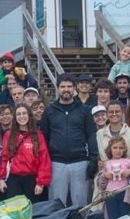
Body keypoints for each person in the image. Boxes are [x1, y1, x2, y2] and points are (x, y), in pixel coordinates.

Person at [40, 73, 97, 207]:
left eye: (69, 86)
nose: (66, 89)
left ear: (74, 88)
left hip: (80, 162)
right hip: (56, 163)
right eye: (63, 86)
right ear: (58, 88)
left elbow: (91, 134)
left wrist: (93, 159)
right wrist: (45, 162)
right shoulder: (49, 111)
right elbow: (44, 138)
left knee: (80, 204)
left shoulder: (84, 110)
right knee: (56, 204)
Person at [0, 104, 51, 203]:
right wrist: (1, 179)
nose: (21, 116)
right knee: (14, 212)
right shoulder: (8, 135)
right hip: (14, 179)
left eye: (24, 113)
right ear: (15, 117)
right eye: (18, 114)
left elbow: (44, 160)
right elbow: (4, 158)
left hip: (32, 180)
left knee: (32, 212)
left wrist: (41, 182)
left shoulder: (38, 136)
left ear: (29, 115)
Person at [96, 136, 130, 219]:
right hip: (110, 195)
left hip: (125, 194)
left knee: (125, 218)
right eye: (115, 148)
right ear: (110, 149)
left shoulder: (128, 162)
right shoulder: (106, 164)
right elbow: (100, 185)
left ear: (124, 149)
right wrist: (105, 175)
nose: (118, 150)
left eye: (121, 148)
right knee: (113, 218)